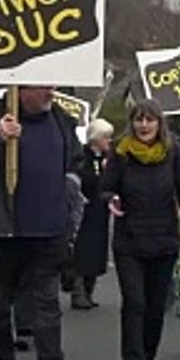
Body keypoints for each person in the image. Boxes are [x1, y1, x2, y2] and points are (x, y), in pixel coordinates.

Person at [0, 86, 84, 360]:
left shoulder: (61, 120)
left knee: (46, 304)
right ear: (23, 87)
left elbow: (75, 163)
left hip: (49, 230)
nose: (51, 90)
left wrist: (68, 193)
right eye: (43, 84)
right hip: (3, 231)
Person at [100, 99, 180, 360]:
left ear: (160, 124)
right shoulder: (120, 153)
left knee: (156, 308)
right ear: (132, 122)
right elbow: (105, 187)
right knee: (135, 304)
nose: (144, 125)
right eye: (139, 120)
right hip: (129, 240)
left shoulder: (174, 154)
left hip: (164, 240)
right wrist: (111, 198)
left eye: (150, 120)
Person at [71, 118, 113, 310]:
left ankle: (89, 291)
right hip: (85, 210)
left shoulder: (106, 158)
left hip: (100, 211)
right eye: (106, 137)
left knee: (97, 251)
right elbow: (84, 180)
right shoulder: (83, 156)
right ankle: (78, 292)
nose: (109, 141)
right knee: (82, 252)